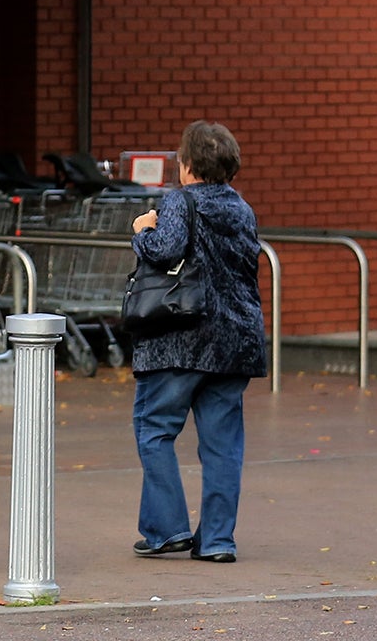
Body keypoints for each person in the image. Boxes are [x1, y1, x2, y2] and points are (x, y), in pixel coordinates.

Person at [128, 119, 266, 563]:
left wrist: (141, 231)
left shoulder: (179, 202)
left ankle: (167, 529)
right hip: (235, 342)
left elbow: (165, 251)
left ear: (187, 166)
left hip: (179, 340)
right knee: (223, 445)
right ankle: (218, 541)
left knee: (154, 429)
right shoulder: (242, 209)